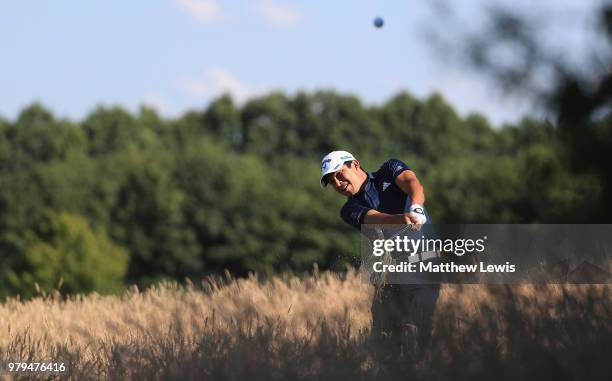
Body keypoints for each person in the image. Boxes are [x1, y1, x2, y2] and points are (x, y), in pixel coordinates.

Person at [320, 150, 440, 357]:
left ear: (355, 165)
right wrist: (401, 219)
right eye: (332, 182)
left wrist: (417, 207)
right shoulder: (349, 209)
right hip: (391, 276)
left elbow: (413, 184)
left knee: (417, 328)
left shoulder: (389, 170)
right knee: (384, 342)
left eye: (339, 174)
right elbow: (376, 218)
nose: (338, 184)